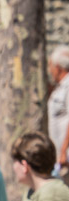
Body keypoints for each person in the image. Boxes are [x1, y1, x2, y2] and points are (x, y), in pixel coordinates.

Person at [47, 45, 69, 176]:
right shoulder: (61, 87)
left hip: (65, 158)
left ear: (58, 67)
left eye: (50, 66)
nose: (49, 71)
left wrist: (63, 151)